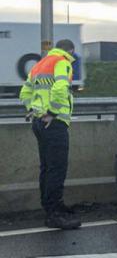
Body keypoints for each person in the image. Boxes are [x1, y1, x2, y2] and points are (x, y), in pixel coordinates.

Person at [19, 39, 81, 229]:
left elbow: (25, 91)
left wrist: (31, 108)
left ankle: (52, 206)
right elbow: (60, 88)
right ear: (70, 50)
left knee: (47, 167)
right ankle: (54, 214)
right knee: (57, 168)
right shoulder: (62, 62)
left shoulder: (39, 64)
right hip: (54, 123)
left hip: (39, 122)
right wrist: (53, 112)